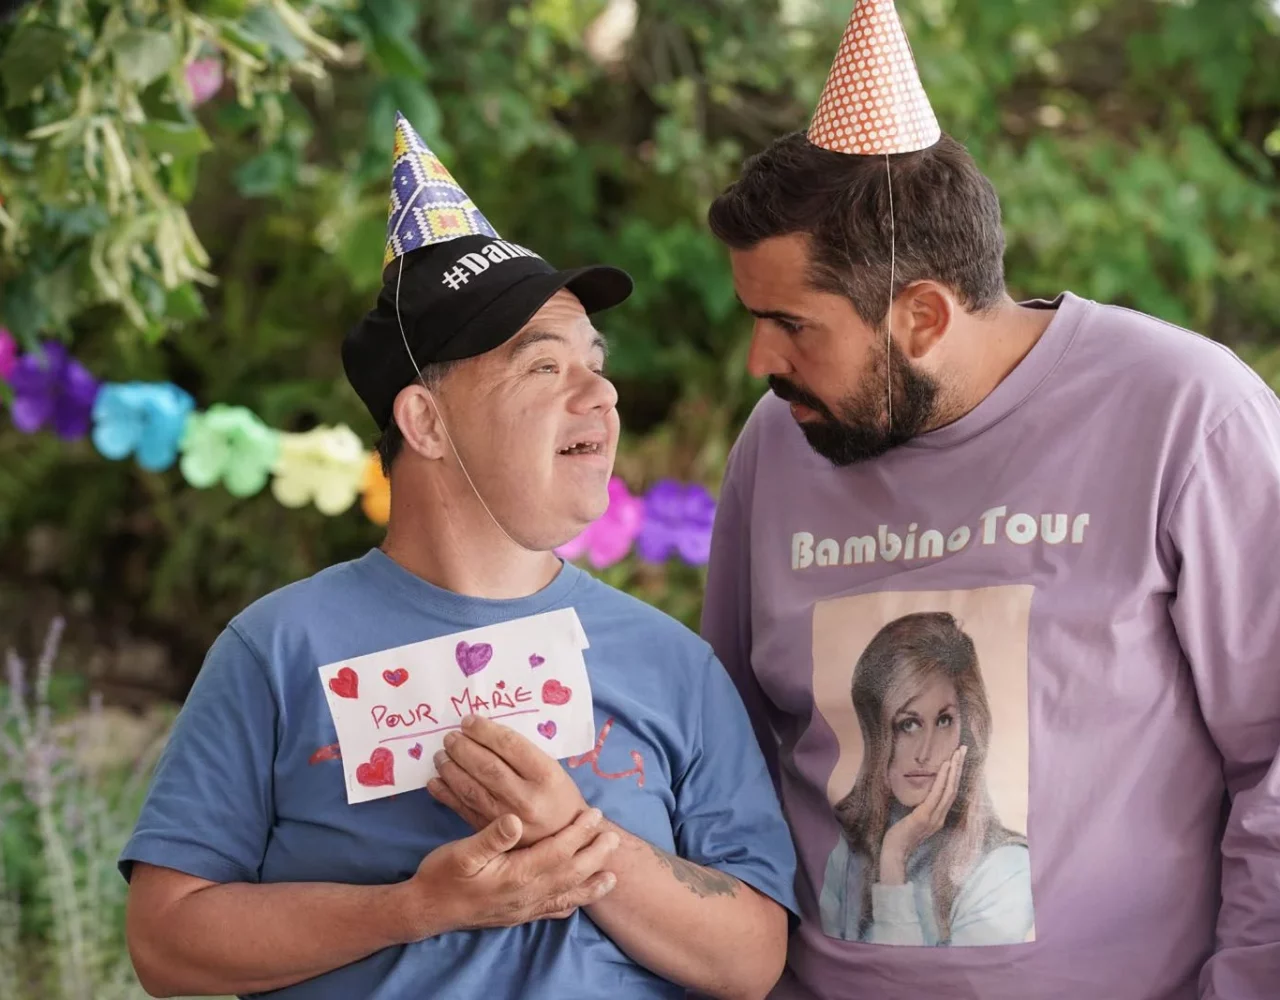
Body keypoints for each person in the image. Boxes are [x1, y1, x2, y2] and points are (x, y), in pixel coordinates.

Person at [119, 112, 797, 1000]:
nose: (601, 393)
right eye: (544, 367)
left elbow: (752, 960)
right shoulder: (275, 649)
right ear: (426, 422)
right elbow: (165, 944)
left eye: (595, 363)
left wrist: (577, 839)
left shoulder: (675, 664)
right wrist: (415, 908)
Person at [699, 1, 1279, 997]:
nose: (760, 360)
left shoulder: (1185, 415)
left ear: (923, 316)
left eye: (791, 324)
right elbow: (727, 752)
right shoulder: (778, 442)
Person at [818, 611, 1031, 946]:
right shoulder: (839, 847)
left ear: (967, 729)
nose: (925, 752)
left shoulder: (1005, 869)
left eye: (944, 721)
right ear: (877, 734)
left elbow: (905, 977)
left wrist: (894, 861)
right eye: (908, 724)